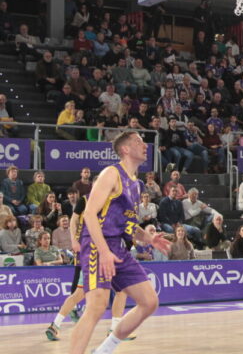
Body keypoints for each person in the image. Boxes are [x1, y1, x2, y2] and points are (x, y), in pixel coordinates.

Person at [67, 131, 171, 354]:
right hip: (97, 244)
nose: (145, 145)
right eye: (138, 142)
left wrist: (149, 238)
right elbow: (89, 214)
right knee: (96, 306)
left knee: (149, 302)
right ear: (125, 149)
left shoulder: (137, 184)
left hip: (117, 247)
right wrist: (104, 251)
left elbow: (129, 226)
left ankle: (103, 350)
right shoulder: (111, 173)